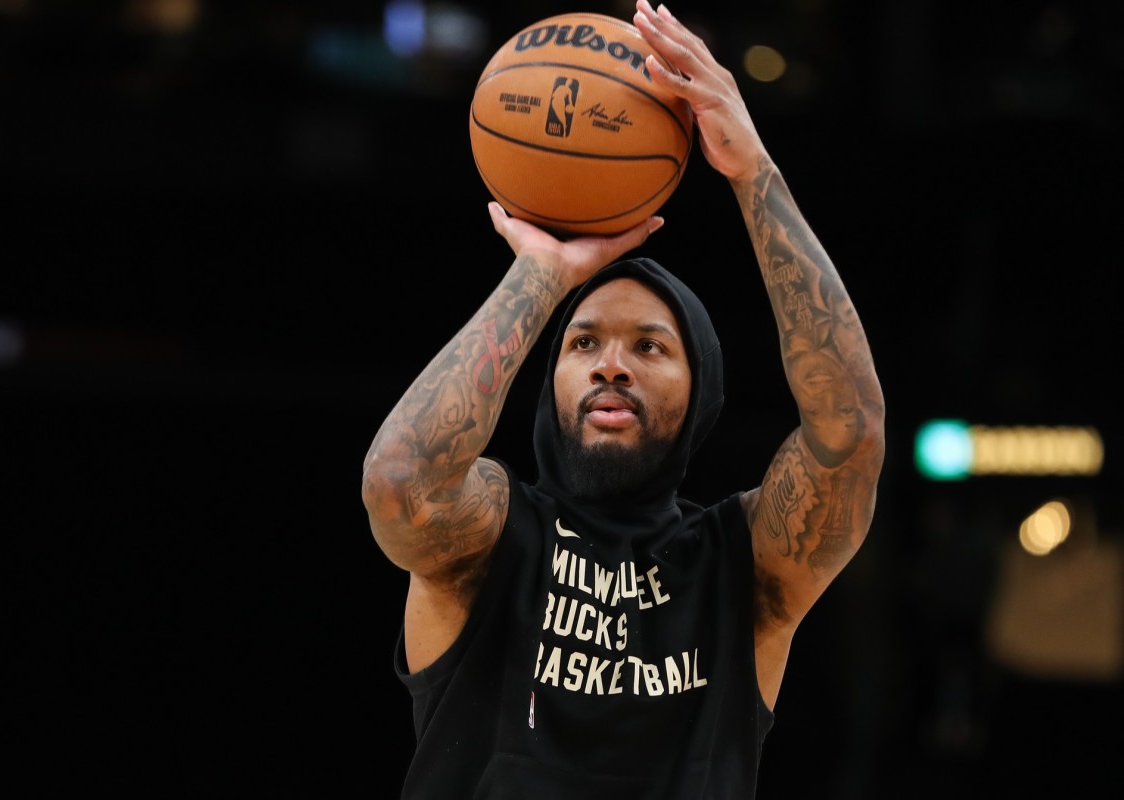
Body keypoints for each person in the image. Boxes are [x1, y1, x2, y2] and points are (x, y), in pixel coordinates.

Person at [361, 1, 886, 797]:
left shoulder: (744, 568)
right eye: (583, 343)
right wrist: (541, 275)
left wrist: (754, 176)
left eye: (650, 346)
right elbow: (398, 479)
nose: (612, 365)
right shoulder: (493, 540)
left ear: (700, 388)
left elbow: (850, 435)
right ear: (550, 380)